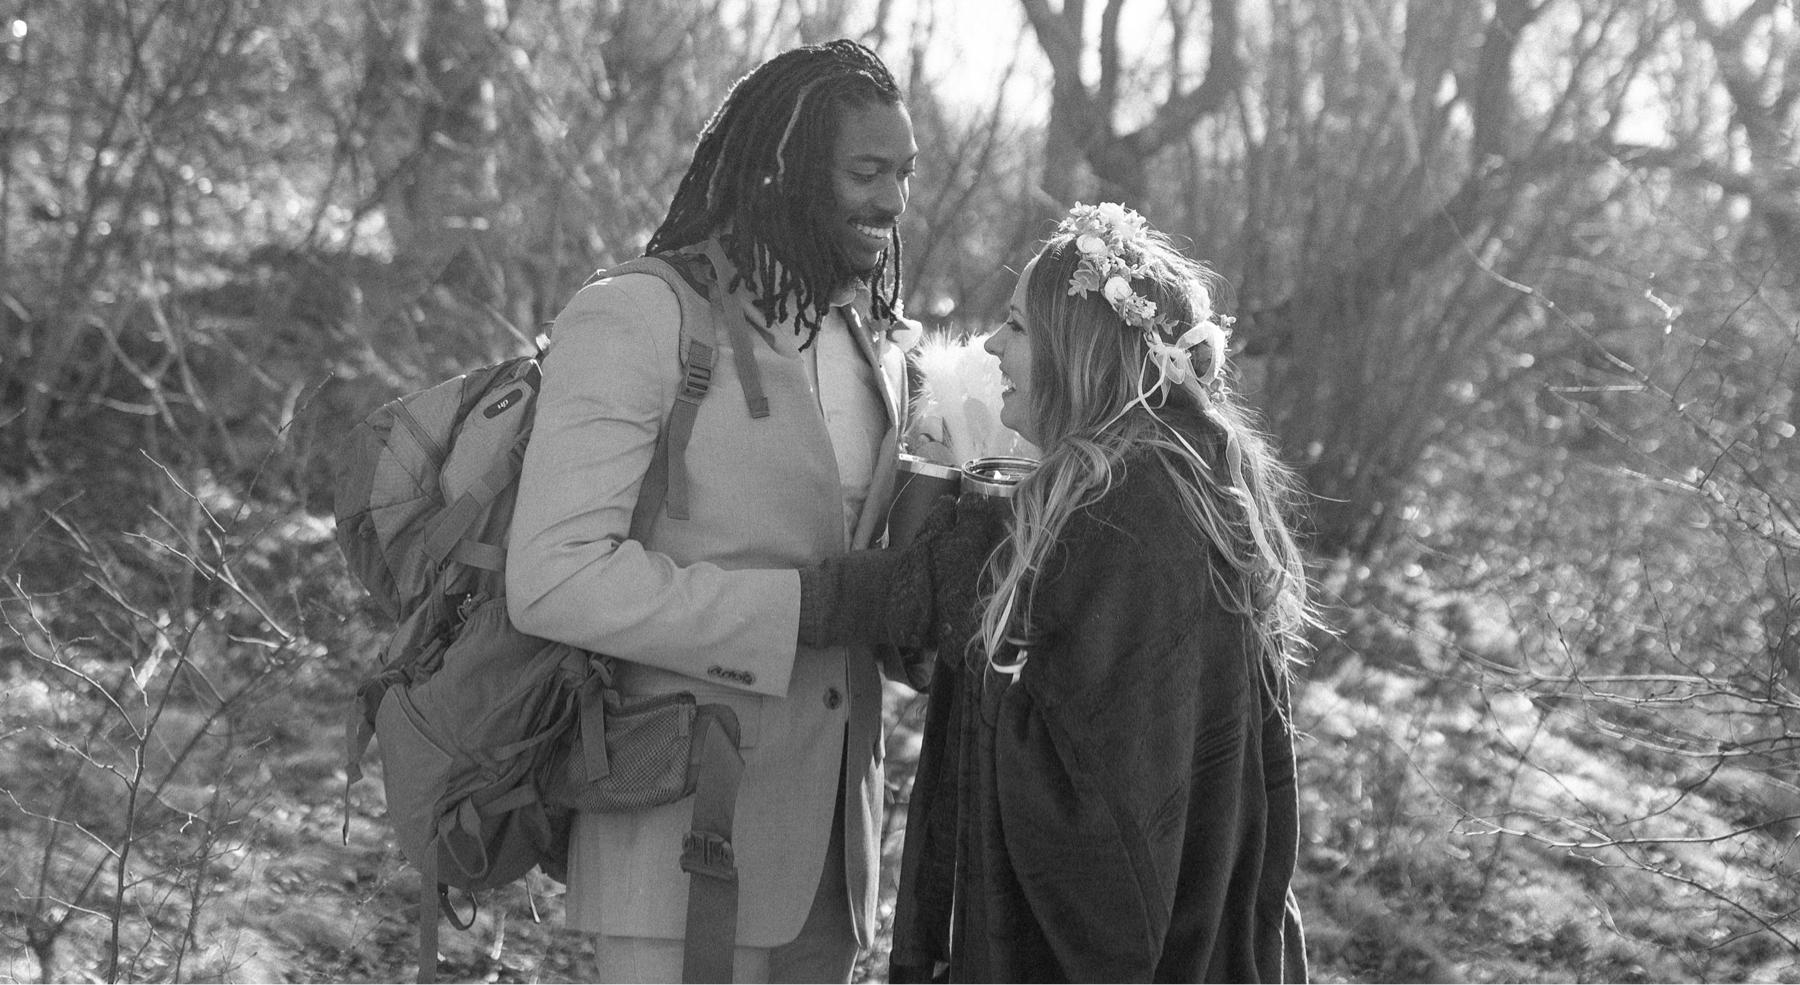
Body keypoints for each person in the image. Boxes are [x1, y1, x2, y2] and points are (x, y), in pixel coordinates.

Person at [506, 39, 924, 983]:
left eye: (904, 173)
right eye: (866, 172)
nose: (894, 201)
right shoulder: (640, 314)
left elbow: (859, 569)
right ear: (783, 167)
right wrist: (799, 610)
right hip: (678, 828)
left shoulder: (875, 342)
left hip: (835, 858)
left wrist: (923, 619)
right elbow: (554, 575)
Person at [887, 202, 1316, 982]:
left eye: (1016, 326)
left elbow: (1105, 819)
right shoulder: (1171, 472)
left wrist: (971, 613)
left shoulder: (1132, 508)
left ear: (1075, 351)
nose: (991, 346)